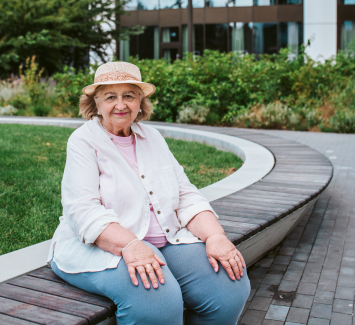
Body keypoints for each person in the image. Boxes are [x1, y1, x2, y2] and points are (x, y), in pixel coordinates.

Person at [47, 62, 250, 325]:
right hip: (105, 247)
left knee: (229, 286)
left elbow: (186, 194)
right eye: (111, 97)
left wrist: (215, 236)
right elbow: (82, 210)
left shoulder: (152, 137)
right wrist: (131, 245)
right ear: (96, 104)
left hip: (166, 239)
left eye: (129, 96)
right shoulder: (83, 141)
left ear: (140, 102)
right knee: (158, 305)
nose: (121, 105)